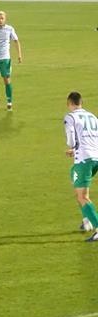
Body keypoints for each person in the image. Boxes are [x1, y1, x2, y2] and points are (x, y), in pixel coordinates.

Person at [63, 92, 98, 241]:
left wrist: (73, 147)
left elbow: (71, 140)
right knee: (75, 180)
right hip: (95, 158)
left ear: (69, 103)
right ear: (81, 103)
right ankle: (87, 221)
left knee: (82, 196)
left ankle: (96, 227)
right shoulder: (93, 117)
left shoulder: (70, 117)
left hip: (84, 160)